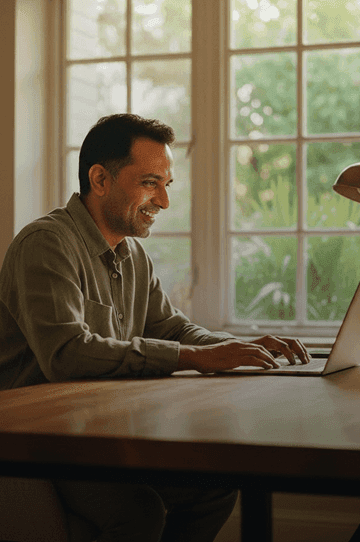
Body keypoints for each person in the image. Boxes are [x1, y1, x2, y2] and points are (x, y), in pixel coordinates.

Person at [0, 114, 310, 541]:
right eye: (150, 182)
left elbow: (172, 328)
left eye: (167, 185)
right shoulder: (46, 244)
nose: (163, 201)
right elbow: (66, 354)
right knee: (139, 512)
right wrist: (197, 357)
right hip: (40, 443)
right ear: (100, 179)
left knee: (213, 489)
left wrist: (236, 347)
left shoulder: (132, 255)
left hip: (100, 431)